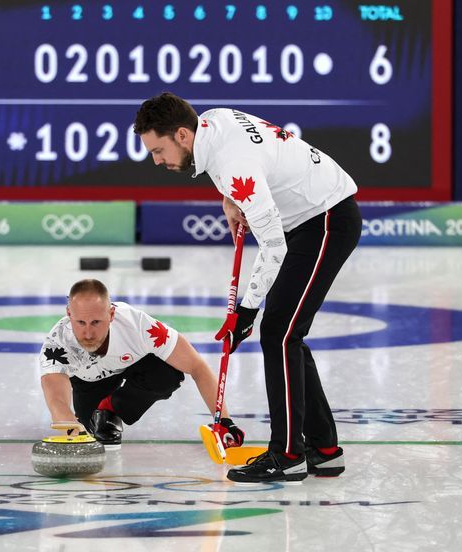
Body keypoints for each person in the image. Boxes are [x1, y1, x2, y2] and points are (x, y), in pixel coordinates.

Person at [134, 93, 361, 483]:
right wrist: (230, 198)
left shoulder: (232, 161)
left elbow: (273, 245)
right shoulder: (213, 121)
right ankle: (323, 450)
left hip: (324, 220)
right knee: (286, 332)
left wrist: (246, 310)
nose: (156, 161)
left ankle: (287, 455)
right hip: (309, 219)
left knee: (278, 333)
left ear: (183, 135)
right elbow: (248, 165)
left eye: (158, 150)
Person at [39, 278, 245, 451]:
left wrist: (224, 421)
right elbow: (57, 400)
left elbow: (197, 366)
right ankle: (96, 413)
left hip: (132, 365)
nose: (88, 334)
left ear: (111, 315)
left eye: (96, 322)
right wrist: (73, 431)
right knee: (91, 426)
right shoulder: (57, 343)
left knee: (168, 374)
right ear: (69, 315)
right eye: (80, 323)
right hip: (88, 381)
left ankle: (112, 407)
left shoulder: (139, 326)